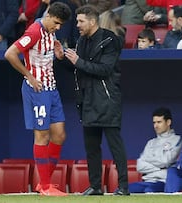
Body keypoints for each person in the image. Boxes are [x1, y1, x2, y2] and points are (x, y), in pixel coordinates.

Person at [4, 2, 71, 196]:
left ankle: (44, 183)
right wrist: (29, 76)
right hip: (37, 90)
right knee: (42, 136)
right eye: (57, 23)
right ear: (48, 15)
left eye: (61, 25)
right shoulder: (34, 31)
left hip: (51, 88)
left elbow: (45, 55)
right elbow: (10, 53)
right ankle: (45, 186)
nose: (58, 27)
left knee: (59, 135)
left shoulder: (51, 31)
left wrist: (58, 53)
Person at [64, 5, 130, 196]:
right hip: (87, 100)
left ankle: (124, 187)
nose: (77, 25)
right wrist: (64, 58)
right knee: (91, 147)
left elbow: (104, 70)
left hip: (107, 98)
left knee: (115, 145)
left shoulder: (110, 40)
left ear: (92, 21)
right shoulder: (81, 41)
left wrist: (78, 61)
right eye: (77, 21)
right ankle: (95, 186)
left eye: (81, 21)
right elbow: (79, 68)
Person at [128, 107, 182, 193]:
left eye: (159, 122)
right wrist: (161, 168)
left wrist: (149, 160)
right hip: (147, 180)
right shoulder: (151, 143)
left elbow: (166, 161)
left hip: (163, 182)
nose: (156, 126)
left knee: (149, 190)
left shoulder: (177, 140)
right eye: (154, 122)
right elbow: (140, 165)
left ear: (168, 122)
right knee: (124, 190)